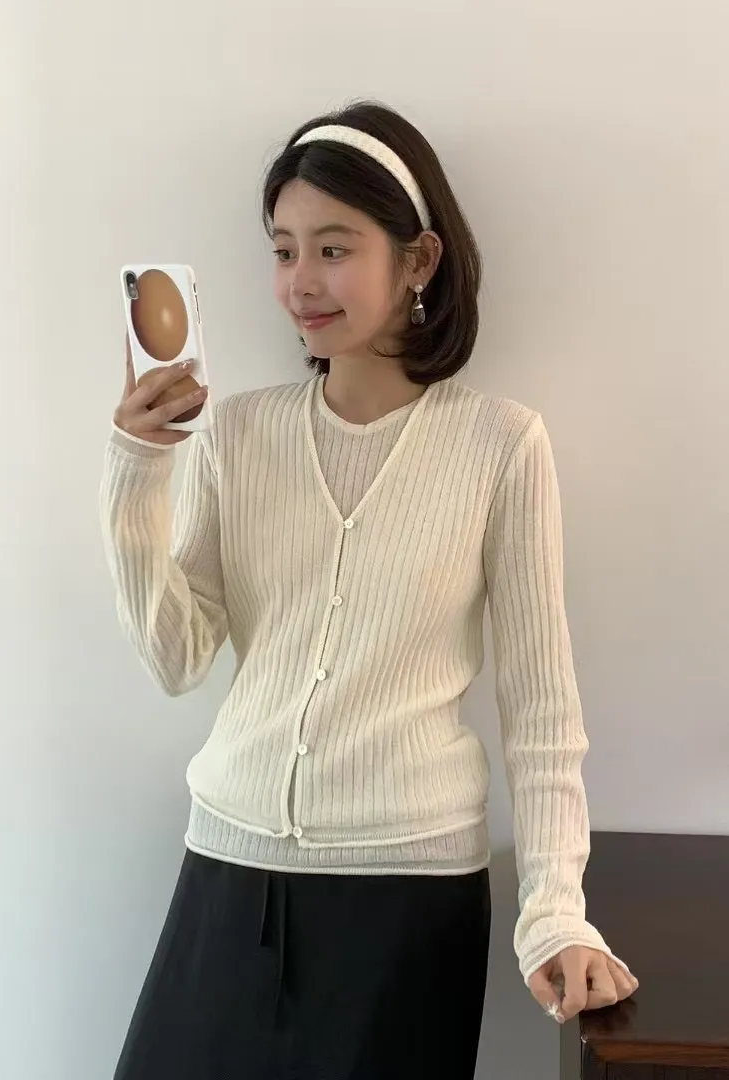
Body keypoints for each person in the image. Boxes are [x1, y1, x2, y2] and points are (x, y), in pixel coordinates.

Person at [100, 101, 637, 1080]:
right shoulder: (237, 435)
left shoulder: (500, 444)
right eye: (283, 250)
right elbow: (176, 659)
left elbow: (542, 712)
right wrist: (139, 472)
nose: (300, 282)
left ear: (419, 259)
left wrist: (556, 911)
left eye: (334, 249)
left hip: (409, 900)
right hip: (229, 874)